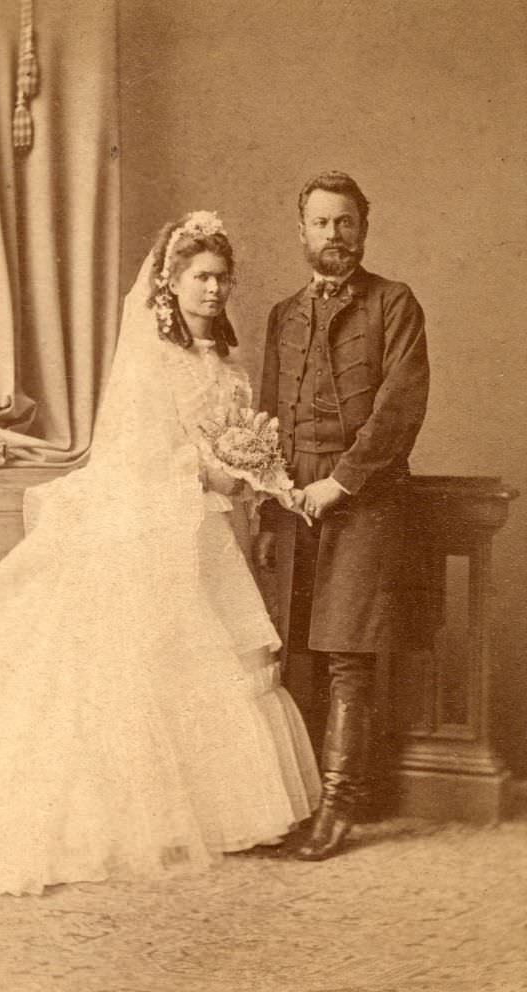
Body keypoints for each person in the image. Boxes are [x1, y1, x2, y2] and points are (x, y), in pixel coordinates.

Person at [0, 212, 319, 896]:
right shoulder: (155, 359)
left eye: (222, 278)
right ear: (170, 283)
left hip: (212, 531)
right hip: (158, 523)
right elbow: (134, 453)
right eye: (200, 277)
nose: (213, 290)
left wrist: (248, 478)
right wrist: (206, 472)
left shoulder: (230, 362)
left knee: (219, 659)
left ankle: (206, 813)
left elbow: (241, 437)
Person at [255, 172, 430, 861]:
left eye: (346, 223)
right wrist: (273, 510)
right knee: (294, 651)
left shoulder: (395, 304)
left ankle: (339, 807)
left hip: (362, 503)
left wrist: (342, 484)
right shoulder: (281, 315)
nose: (334, 235)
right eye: (322, 223)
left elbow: (401, 409)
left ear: (364, 227)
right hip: (293, 503)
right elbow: (267, 417)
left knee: (347, 656)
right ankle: (299, 801)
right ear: (302, 232)